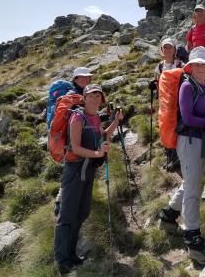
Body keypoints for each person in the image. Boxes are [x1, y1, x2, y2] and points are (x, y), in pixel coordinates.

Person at [158, 46, 205, 265]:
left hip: (202, 142)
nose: (202, 67)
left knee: (190, 182)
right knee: (193, 190)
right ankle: (193, 243)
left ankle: (167, 217)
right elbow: (189, 118)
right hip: (189, 141)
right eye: (197, 64)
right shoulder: (186, 86)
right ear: (190, 67)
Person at [54, 84, 123, 275]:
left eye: (98, 96)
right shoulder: (77, 117)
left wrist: (116, 121)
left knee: (82, 212)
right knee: (67, 215)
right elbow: (75, 147)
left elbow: (103, 136)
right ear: (84, 98)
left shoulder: (94, 118)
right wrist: (98, 152)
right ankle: (62, 260)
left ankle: (72, 254)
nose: (94, 99)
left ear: (101, 99)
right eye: (91, 96)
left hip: (88, 171)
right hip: (75, 171)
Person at [54, 67, 94, 216]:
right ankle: (62, 202)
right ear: (75, 79)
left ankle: (69, 198)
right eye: (81, 77)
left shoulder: (86, 93)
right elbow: (80, 116)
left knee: (77, 168)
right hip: (72, 140)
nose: (84, 79)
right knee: (71, 168)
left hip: (81, 137)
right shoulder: (72, 95)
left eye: (87, 77)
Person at [154, 38, 184, 172]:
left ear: (174, 50)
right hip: (164, 104)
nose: (167, 50)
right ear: (161, 50)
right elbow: (158, 83)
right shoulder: (159, 66)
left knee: (176, 130)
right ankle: (170, 157)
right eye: (165, 47)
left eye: (170, 47)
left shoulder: (181, 65)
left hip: (178, 104)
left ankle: (176, 158)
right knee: (165, 129)